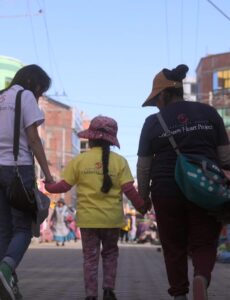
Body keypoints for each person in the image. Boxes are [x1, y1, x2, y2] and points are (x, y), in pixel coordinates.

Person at [137, 64, 230, 300]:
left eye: (157, 99)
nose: (157, 104)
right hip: (205, 188)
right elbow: (226, 158)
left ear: (166, 94)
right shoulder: (210, 113)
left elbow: (144, 166)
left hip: (166, 189)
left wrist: (144, 197)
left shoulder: (152, 122)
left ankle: (179, 294)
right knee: (204, 241)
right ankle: (201, 277)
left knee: (173, 245)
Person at [45, 115, 147, 300]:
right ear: (111, 141)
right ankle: (109, 290)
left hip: (88, 220)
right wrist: (141, 206)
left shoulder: (79, 161)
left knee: (90, 259)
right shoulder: (120, 162)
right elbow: (129, 190)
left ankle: (91, 295)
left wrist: (48, 186)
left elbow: (63, 187)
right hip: (112, 220)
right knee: (110, 255)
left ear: (90, 139)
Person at [0, 64, 53, 300]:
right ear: (35, 84)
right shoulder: (26, 97)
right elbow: (33, 139)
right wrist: (48, 175)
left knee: (3, 230)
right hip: (17, 169)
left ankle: (8, 283)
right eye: (41, 91)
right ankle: (5, 269)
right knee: (24, 228)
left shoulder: (1, 97)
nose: (39, 95)